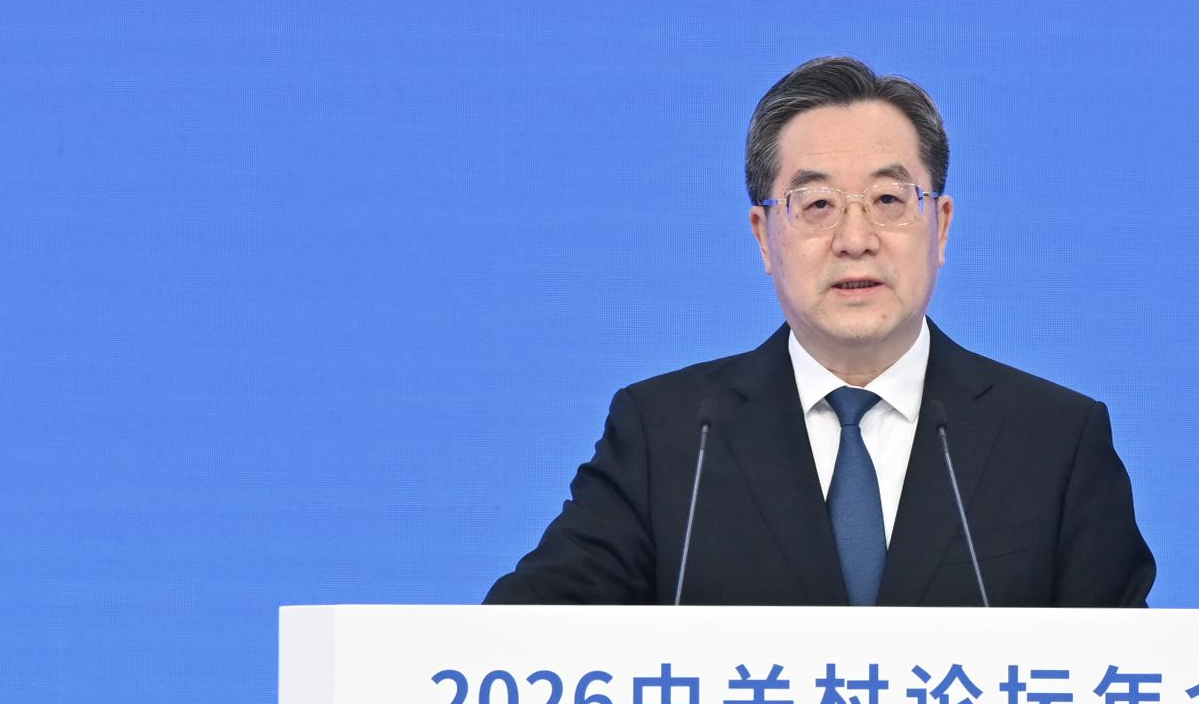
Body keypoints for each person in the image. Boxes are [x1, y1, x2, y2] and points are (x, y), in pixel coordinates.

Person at [485, 56, 1154, 607]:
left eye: (889, 200)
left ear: (941, 225)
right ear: (764, 237)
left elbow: (1134, 687)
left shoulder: (1056, 442)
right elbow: (516, 643)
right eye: (817, 205)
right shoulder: (669, 439)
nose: (855, 239)